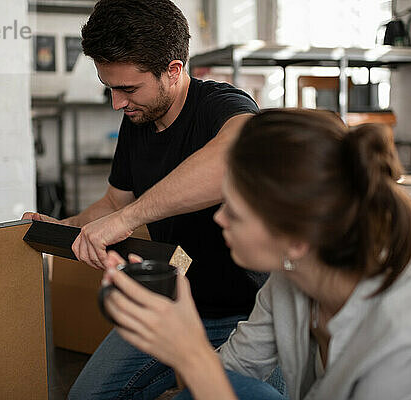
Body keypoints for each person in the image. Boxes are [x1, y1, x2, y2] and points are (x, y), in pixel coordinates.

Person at [101, 109, 411, 400]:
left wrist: (190, 353)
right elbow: (224, 375)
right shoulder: (291, 277)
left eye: (234, 211)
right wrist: (167, 333)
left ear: (296, 238)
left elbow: (206, 373)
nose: (219, 218)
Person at [23, 0, 270, 398]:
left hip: (249, 315)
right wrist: (66, 229)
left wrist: (127, 219)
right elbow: (114, 203)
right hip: (170, 303)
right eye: (110, 89)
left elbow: (239, 154)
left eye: (128, 89)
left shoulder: (220, 105)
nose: (117, 103)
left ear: (173, 70)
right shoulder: (137, 120)